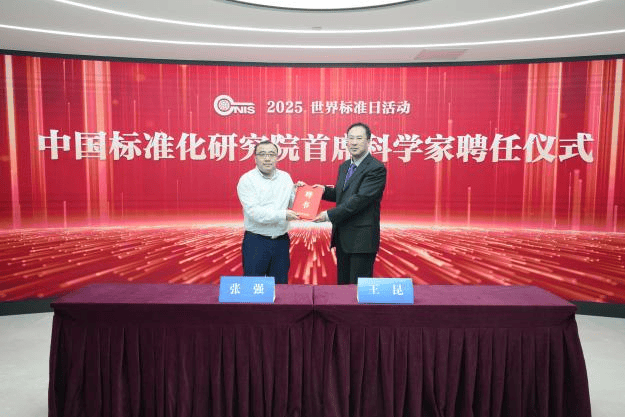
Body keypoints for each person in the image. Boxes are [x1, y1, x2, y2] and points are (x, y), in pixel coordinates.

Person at [313, 122, 387, 285]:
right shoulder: (345, 166)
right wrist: (321, 191)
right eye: (350, 138)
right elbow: (342, 194)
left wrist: (329, 215)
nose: (354, 142)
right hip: (342, 237)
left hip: (362, 240)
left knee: (358, 289)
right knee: (343, 288)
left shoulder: (376, 168)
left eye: (359, 138)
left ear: (368, 141)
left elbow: (360, 200)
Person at [237, 140, 300, 284]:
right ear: (255, 158)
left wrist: (299, 192)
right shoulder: (247, 180)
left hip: (281, 241)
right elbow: (254, 213)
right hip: (256, 242)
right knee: (253, 286)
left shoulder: (285, 177)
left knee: (280, 286)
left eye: (271, 154)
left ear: (277, 157)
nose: (267, 158)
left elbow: (292, 203)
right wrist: (283, 215)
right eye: (262, 154)